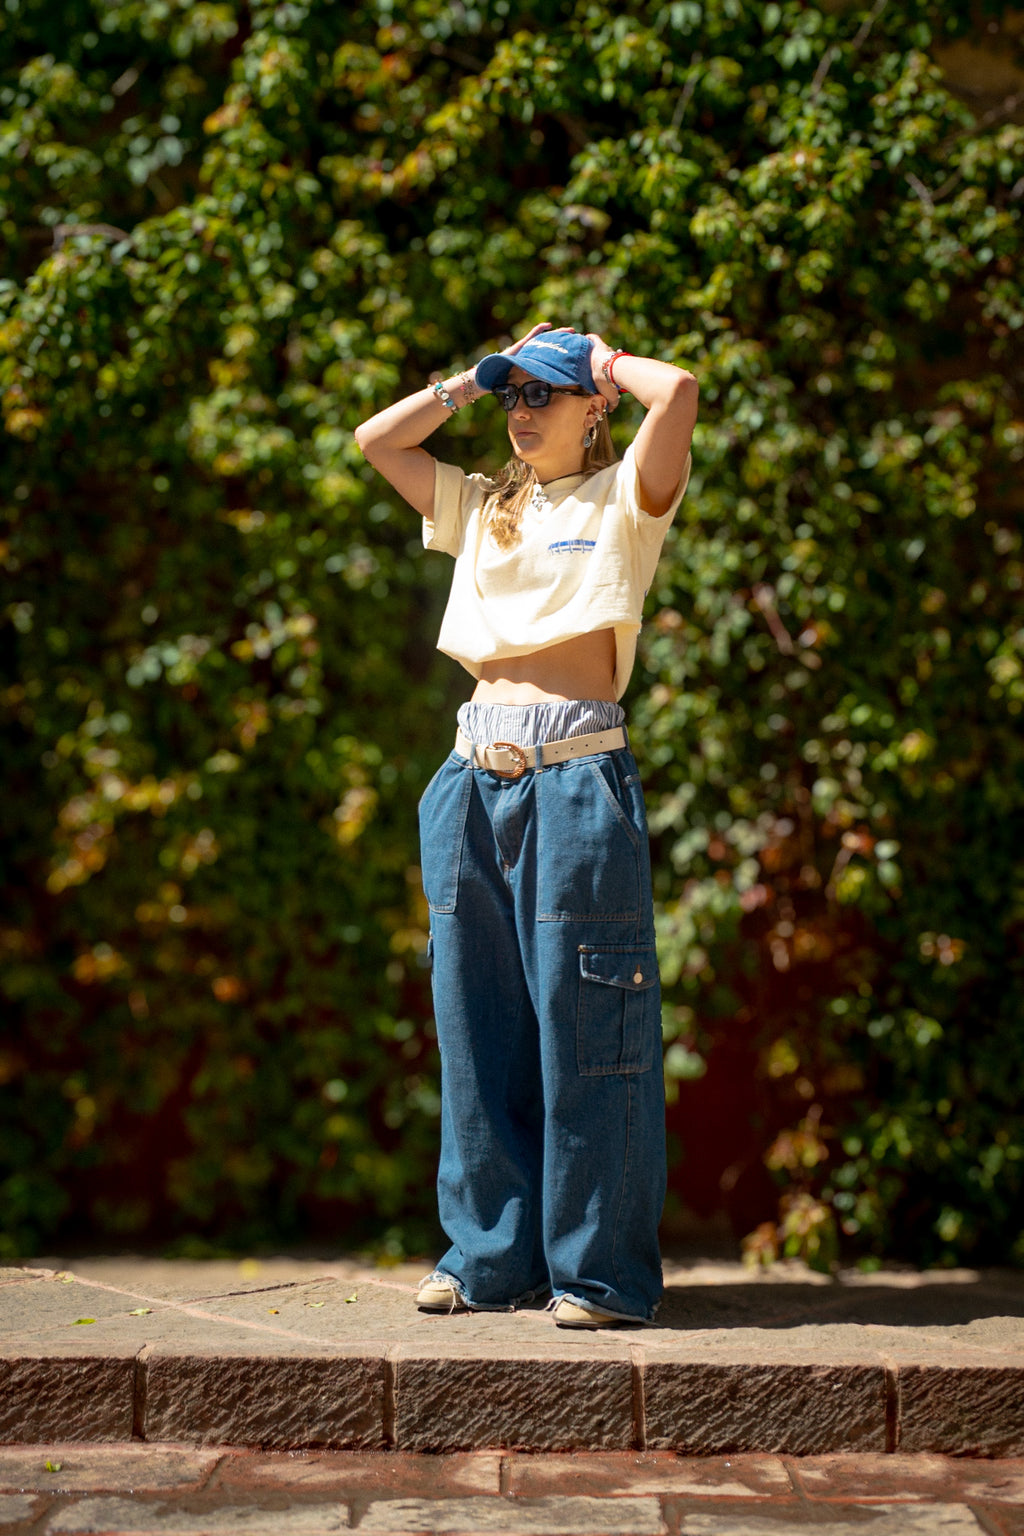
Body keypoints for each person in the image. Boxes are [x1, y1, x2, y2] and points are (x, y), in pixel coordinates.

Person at [354, 322, 698, 1327]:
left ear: (592, 411)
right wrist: (473, 376)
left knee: (593, 1026)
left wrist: (594, 360)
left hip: (575, 778)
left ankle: (598, 1276)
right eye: (515, 397)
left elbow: (675, 392)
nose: (521, 412)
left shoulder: (625, 497)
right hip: (470, 775)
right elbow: (380, 441)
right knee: (475, 1022)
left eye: (541, 396)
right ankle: (489, 1258)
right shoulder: (483, 504)